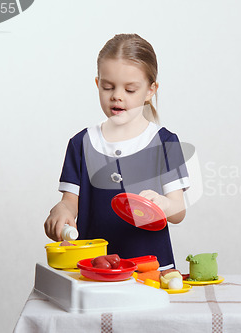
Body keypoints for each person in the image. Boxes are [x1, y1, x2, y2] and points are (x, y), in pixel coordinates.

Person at [44, 34, 189, 270]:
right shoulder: (81, 143)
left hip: (150, 268)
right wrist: (62, 211)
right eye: (108, 87)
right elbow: (70, 202)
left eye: (130, 89)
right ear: (97, 83)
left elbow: (178, 211)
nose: (117, 96)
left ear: (151, 90)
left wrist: (163, 204)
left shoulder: (165, 142)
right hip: (93, 269)